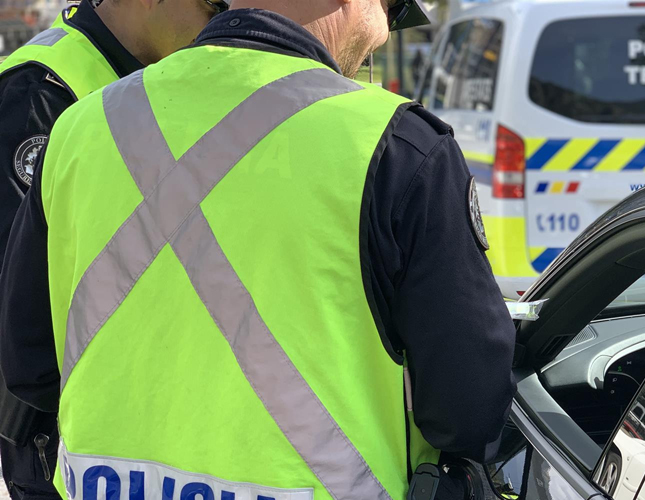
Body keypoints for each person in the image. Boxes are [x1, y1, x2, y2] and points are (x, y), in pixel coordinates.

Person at [0, 0, 517, 498]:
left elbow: (30, 368)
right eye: (389, 6)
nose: (383, 33)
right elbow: (469, 408)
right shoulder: (397, 146)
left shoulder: (78, 128)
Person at [0, 0, 223, 498]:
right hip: (60, 443)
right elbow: (24, 300)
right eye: (214, 5)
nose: (226, 21)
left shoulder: (150, 74)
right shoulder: (43, 89)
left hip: (134, 429)